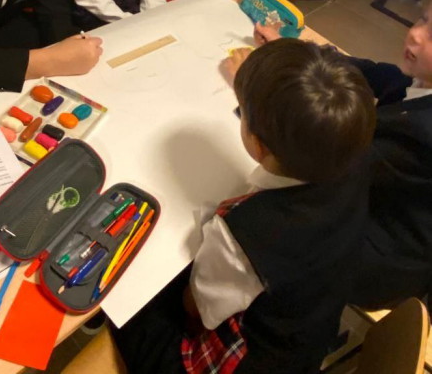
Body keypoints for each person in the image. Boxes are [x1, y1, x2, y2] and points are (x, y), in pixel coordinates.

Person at [101, 40, 375, 374]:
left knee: (129, 290)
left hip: (238, 359)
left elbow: (196, 309)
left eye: (242, 113)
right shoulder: (352, 158)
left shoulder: (246, 236)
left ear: (257, 145)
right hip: (308, 331)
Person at [239, 0, 432, 311]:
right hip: (371, 203)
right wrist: (297, 52)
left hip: (376, 259)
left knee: (257, 219)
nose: (415, 34)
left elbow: (325, 161)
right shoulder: (420, 80)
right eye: (423, 19)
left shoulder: (422, 134)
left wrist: (255, 95)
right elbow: (369, 72)